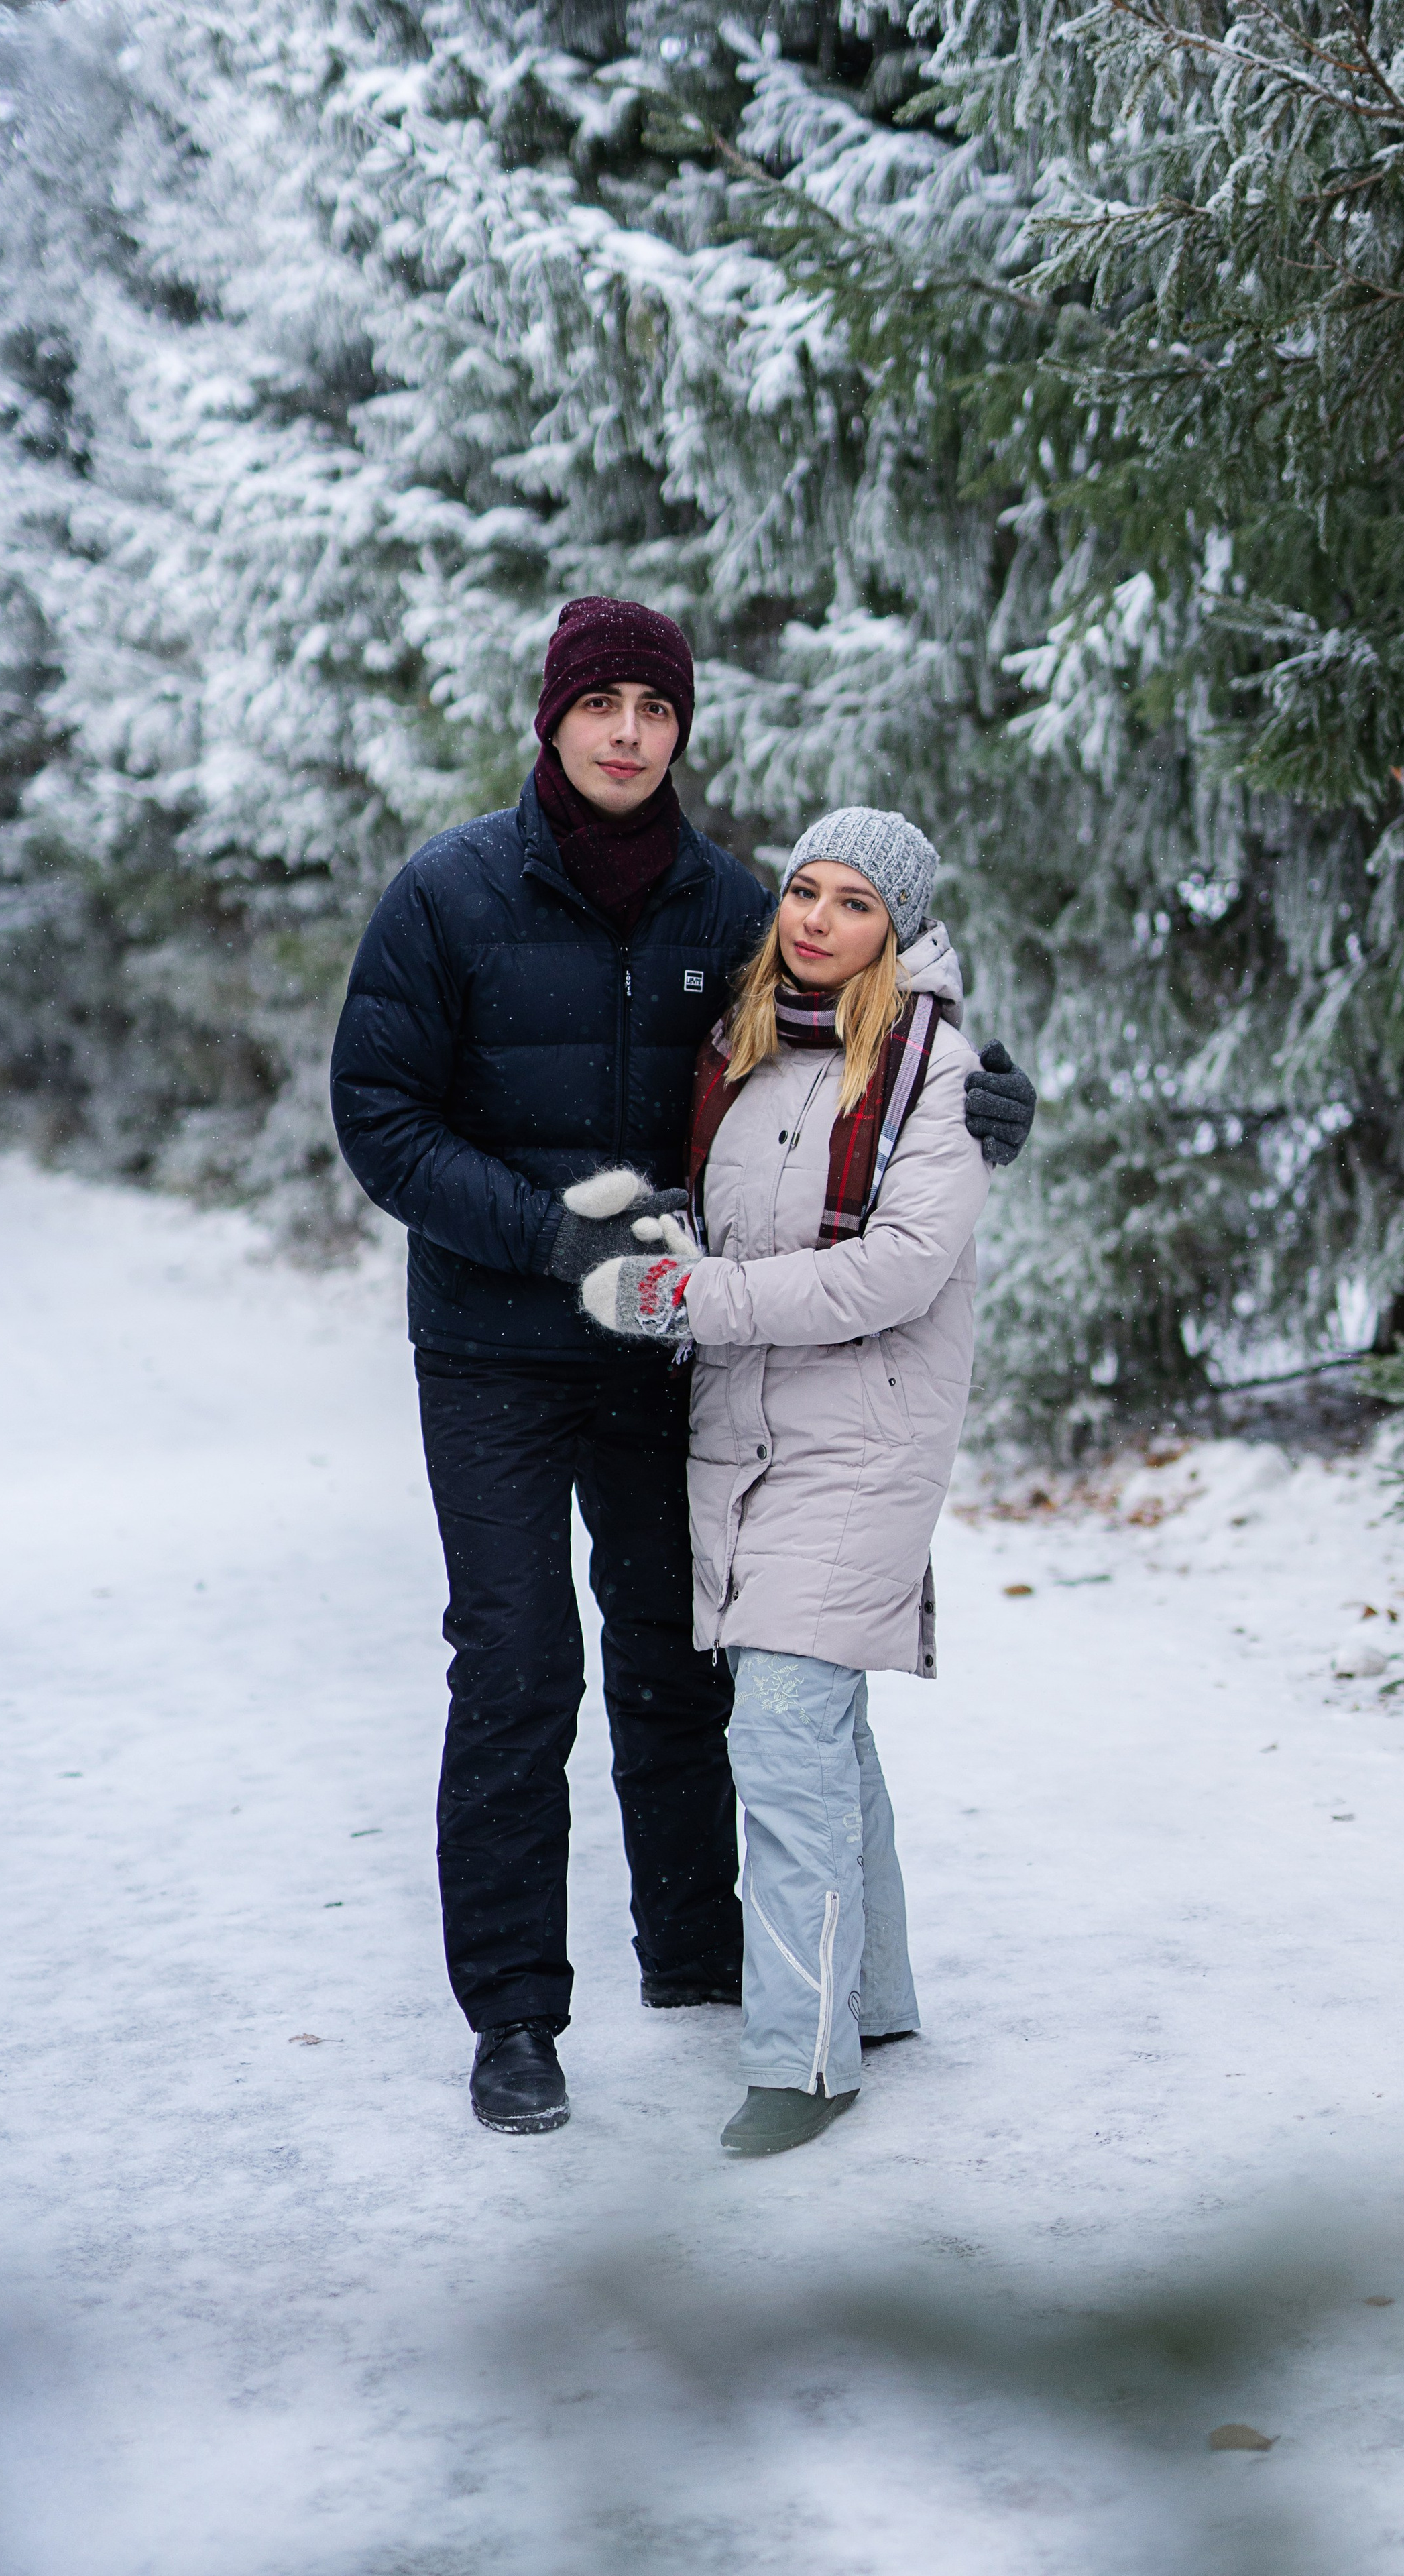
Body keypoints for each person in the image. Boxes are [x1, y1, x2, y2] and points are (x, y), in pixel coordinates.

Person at [330, 598, 1036, 2139]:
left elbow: (855, 1027)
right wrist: (551, 1246)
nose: (628, 731)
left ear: (681, 729)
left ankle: (700, 1957)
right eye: (602, 704)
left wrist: (985, 1091)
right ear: (554, 718)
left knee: (673, 1661)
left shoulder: (730, 906)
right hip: (495, 1351)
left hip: (671, 1357)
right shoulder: (447, 893)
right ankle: (514, 2016)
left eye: (654, 706)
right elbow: (381, 1120)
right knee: (516, 1672)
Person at [578, 807, 990, 2155]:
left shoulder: (933, 1070)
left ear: (901, 929)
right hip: (745, 1429)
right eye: (802, 892)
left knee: (781, 1727)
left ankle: (800, 2062)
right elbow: (735, 1229)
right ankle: (870, 2000)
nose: (814, 919)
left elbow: (896, 1269)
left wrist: (698, 1292)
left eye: (852, 902)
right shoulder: (748, 1054)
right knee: (816, 1725)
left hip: (861, 1438)